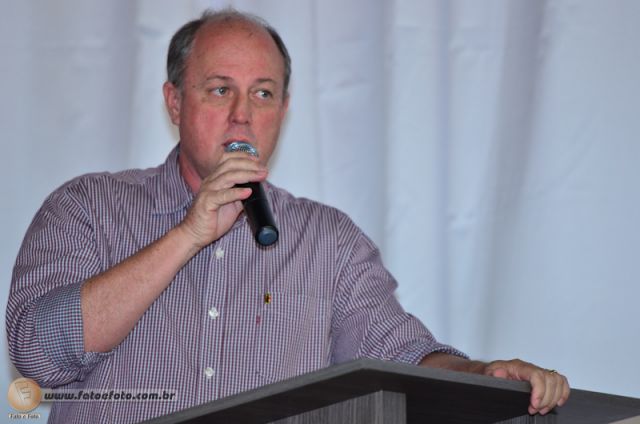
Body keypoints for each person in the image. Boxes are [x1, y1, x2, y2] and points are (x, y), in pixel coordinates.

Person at [6, 8, 569, 424]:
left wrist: (484, 375)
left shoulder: (328, 241)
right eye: (220, 90)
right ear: (175, 101)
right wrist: (187, 235)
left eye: (263, 94)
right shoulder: (89, 207)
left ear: (284, 109)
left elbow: (401, 355)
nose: (242, 115)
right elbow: (36, 358)